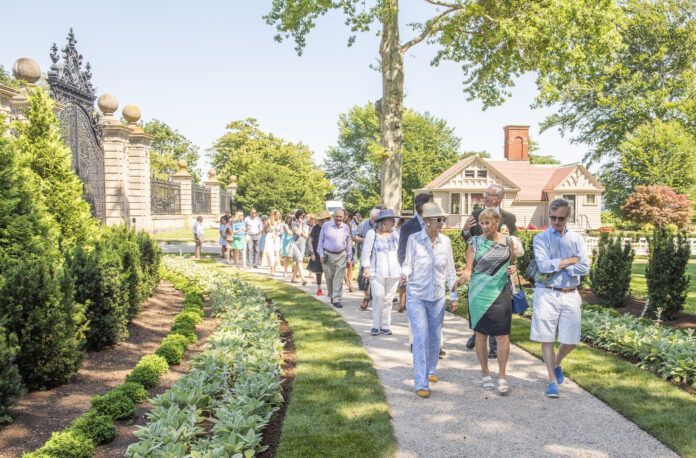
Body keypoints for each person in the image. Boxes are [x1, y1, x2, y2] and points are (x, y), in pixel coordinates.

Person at [531, 198, 589, 398]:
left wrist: (561, 264)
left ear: (568, 217)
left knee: (572, 338)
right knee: (546, 337)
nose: (556, 222)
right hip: (546, 292)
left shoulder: (577, 239)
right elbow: (544, 266)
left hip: (571, 293)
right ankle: (552, 380)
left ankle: (556, 362)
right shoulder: (540, 238)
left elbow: (585, 267)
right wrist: (572, 261)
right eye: (553, 218)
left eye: (561, 218)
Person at [456, 208, 517, 395]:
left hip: (501, 291)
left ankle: (502, 376)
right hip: (479, 293)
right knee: (480, 334)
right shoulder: (474, 242)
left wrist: (512, 269)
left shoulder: (508, 241)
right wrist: (462, 279)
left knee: (502, 335)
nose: (484, 227)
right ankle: (485, 371)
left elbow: (512, 263)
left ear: (496, 222)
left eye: (487, 223)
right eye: (482, 223)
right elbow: (468, 269)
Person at [401, 202, 458, 398]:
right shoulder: (414, 240)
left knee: (434, 335)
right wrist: (404, 275)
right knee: (420, 336)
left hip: (438, 297)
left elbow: (450, 270)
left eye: (443, 219)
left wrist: (454, 295)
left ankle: (431, 369)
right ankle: (421, 382)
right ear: (427, 221)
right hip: (416, 294)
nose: (442, 223)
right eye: (439, 220)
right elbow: (408, 264)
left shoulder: (446, 242)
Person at [460, 183, 517, 358]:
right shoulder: (477, 215)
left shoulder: (509, 217)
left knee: (498, 308)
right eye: (484, 194)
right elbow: (468, 240)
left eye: (488, 194)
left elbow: (514, 243)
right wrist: (464, 229)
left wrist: (512, 265)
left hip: (500, 271)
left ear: (499, 198)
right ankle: (478, 334)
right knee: (480, 305)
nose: (484, 197)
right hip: (481, 269)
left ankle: (494, 346)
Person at [361, 209, 401, 336]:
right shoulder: (372, 234)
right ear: (383, 222)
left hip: (394, 272)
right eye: (391, 220)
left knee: (388, 299)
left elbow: (401, 252)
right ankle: (376, 325)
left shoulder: (395, 234)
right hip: (376, 271)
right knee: (378, 297)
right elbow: (366, 252)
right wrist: (365, 268)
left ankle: (385, 325)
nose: (394, 222)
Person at [318, 208, 352, 308]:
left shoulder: (346, 227)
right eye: (337, 216)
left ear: (343, 217)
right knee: (329, 277)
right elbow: (320, 241)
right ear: (333, 217)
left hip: (341, 254)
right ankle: (332, 295)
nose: (339, 218)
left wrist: (349, 258)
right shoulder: (326, 226)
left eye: (341, 217)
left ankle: (337, 299)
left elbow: (348, 243)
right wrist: (321, 254)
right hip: (327, 254)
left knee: (339, 277)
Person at [355, 205, 386, 310]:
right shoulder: (363, 224)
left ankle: (373, 299)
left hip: (379, 257)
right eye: (374, 219)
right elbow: (354, 236)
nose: (375, 221)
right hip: (366, 255)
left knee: (377, 279)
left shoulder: (383, 226)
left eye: (377, 219)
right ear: (370, 217)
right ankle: (367, 296)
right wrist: (366, 240)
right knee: (364, 278)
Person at [307, 210, 332, 296]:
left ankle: (330, 290)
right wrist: (312, 253)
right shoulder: (316, 228)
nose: (328, 220)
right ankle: (319, 289)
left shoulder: (330, 227)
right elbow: (310, 241)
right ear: (322, 219)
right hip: (317, 252)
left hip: (328, 252)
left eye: (328, 218)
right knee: (319, 272)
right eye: (326, 218)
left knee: (329, 272)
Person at [290, 209, 309, 284]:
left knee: (299, 261)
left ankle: (293, 277)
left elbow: (305, 235)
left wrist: (304, 233)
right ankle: (303, 279)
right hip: (295, 244)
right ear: (298, 215)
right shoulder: (294, 223)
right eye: (302, 215)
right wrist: (300, 225)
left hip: (302, 244)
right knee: (300, 261)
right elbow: (298, 233)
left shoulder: (305, 223)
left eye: (304, 215)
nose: (303, 217)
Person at [263, 210, 282, 275]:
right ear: (274, 215)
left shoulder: (279, 222)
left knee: (276, 252)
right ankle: (272, 268)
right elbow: (264, 229)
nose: (278, 215)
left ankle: (275, 265)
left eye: (279, 214)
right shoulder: (269, 221)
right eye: (277, 214)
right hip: (270, 237)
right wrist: (268, 234)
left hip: (276, 237)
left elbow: (279, 230)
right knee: (270, 252)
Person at [343, 211, 355, 292]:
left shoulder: (349, 225)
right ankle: (347, 280)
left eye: (345, 216)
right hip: (340, 247)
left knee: (350, 265)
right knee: (342, 267)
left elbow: (350, 236)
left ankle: (350, 283)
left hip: (349, 246)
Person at [281, 213, 295, 278]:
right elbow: (290, 233)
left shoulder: (295, 225)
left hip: (293, 242)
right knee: (287, 257)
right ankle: (285, 272)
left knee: (295, 258)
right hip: (287, 242)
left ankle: (294, 271)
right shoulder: (285, 225)